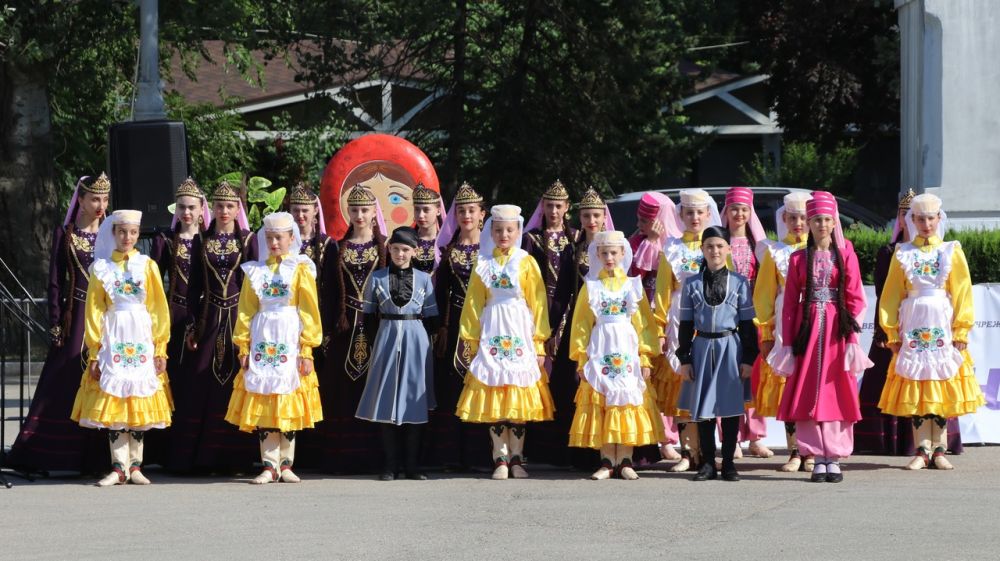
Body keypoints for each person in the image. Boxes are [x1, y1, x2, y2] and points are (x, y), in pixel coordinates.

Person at [6, 174, 111, 475]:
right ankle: (50, 453)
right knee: (63, 381)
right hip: (74, 315)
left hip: (104, 316)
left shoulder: (111, 234)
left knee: (101, 380)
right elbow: (54, 281)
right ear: (81, 199)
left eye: (104, 200)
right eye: (95, 199)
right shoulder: (65, 234)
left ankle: (99, 457)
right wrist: (55, 321)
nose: (100, 206)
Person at [771, 192, 873, 483]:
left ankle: (835, 456)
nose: (822, 225)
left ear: (834, 222)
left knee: (836, 391)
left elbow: (856, 297)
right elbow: (790, 303)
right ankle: (815, 455)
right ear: (808, 223)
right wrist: (788, 343)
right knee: (808, 391)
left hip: (836, 332)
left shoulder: (847, 253)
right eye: (816, 219)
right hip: (807, 331)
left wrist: (853, 339)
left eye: (827, 219)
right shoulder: (798, 258)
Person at [877, 193, 984, 470]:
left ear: (939, 219)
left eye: (931, 218)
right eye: (920, 218)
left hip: (942, 325)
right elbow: (890, 295)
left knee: (940, 383)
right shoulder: (903, 253)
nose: (926, 224)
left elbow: (962, 292)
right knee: (918, 384)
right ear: (911, 220)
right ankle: (921, 448)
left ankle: (940, 449)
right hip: (913, 324)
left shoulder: (951, 250)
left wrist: (961, 330)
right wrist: (892, 333)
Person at [70, 210, 172, 486]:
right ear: (113, 233)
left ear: (138, 235)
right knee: (115, 397)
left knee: (138, 396)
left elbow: (158, 308)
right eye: (122, 232)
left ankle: (135, 466)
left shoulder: (147, 266)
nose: (127, 237)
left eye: (133, 233)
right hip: (114, 334)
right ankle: (118, 466)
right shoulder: (101, 269)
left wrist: (160, 347)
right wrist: (94, 350)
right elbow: (94, 309)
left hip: (140, 333)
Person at [455, 204, 553, 480]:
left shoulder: (526, 261)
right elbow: (473, 303)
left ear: (518, 230)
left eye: (509, 230)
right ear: (491, 231)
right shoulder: (482, 262)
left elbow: (538, 303)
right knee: (496, 391)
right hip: (493, 327)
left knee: (518, 393)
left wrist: (539, 343)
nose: (503, 235)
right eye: (498, 230)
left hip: (519, 328)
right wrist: (471, 340)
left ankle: (518, 459)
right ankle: (499, 458)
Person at [225, 212, 323, 484]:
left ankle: (286, 463)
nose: (274, 243)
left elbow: (309, 311)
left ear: (291, 238)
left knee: (288, 396)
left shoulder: (301, 269)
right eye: (269, 238)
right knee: (265, 396)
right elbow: (245, 310)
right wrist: (243, 345)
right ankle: (269, 464)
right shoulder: (256, 271)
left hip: (289, 336)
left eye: (279, 237)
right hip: (263, 337)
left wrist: (307, 349)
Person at [168, 180, 259, 473]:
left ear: (238, 209)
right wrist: (194, 325)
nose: (224, 211)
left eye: (230, 206)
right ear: (212, 208)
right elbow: (193, 286)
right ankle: (201, 457)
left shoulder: (247, 240)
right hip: (210, 317)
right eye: (219, 206)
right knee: (202, 382)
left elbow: (254, 285)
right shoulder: (201, 240)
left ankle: (236, 458)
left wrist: (254, 328)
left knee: (235, 383)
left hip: (237, 318)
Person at [567, 230, 662, 480]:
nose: (609, 257)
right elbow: (581, 325)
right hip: (601, 349)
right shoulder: (591, 287)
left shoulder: (633, 286)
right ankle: (607, 460)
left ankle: (625, 460)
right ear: (597, 254)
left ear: (623, 254)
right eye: (604, 253)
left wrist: (644, 357)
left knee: (626, 400)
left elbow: (643, 325)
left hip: (626, 349)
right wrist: (581, 358)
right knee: (603, 400)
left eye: (614, 252)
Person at [675, 226, 758, 482]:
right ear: (702, 249)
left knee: (731, 409)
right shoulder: (691, 284)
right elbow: (686, 324)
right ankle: (708, 462)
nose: (715, 251)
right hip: (701, 347)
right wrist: (685, 358)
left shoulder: (740, 283)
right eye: (709, 246)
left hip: (730, 347)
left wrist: (747, 359)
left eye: (720, 246)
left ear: (728, 249)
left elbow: (746, 325)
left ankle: (730, 463)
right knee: (705, 410)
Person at [356, 226, 439, 481]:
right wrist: (378, 342)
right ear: (388, 249)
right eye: (395, 249)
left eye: (405, 250)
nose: (400, 254)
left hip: (416, 338)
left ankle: (412, 466)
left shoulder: (425, 279)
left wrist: (424, 343)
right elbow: (368, 317)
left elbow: (433, 318)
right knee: (386, 398)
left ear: (414, 251)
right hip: (387, 336)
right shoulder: (377, 278)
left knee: (415, 398)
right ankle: (390, 466)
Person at [318, 184, 387, 472]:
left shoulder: (383, 245)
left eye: (365, 210)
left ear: (374, 213)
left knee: (373, 387)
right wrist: (327, 330)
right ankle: (342, 457)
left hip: (374, 327)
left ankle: (375, 457)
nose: (359, 215)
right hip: (345, 328)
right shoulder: (337, 247)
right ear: (348, 212)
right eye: (355, 210)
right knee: (343, 391)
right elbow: (330, 291)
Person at [653, 188, 721, 472]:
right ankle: (686, 452)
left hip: (711, 321)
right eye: (689, 212)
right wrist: (658, 329)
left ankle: (706, 452)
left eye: (699, 212)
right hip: (680, 319)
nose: (694, 217)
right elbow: (661, 292)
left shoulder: (717, 246)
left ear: (708, 214)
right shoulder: (670, 248)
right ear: (680, 215)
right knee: (683, 384)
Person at [147, 177, 210, 465]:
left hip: (202, 315)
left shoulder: (209, 241)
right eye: (182, 207)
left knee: (193, 384)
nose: (186, 213)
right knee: (167, 380)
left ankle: (192, 450)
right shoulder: (164, 241)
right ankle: (164, 451)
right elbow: (152, 281)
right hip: (171, 315)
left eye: (191, 208)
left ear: (201, 210)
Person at [752, 192, 814, 472]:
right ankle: (794, 450)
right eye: (793, 218)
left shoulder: (821, 250)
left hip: (814, 321)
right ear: (784, 219)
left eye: (804, 217)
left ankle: (811, 450)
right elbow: (764, 295)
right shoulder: (774, 251)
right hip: (784, 322)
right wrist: (765, 332)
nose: (799, 223)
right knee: (788, 383)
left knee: (810, 383)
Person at [429, 182, 489, 470]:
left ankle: (481, 454)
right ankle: (452, 454)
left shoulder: (491, 250)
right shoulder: (449, 251)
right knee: (454, 384)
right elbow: (440, 292)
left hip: (486, 323)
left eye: (471, 210)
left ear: (482, 215)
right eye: (462, 210)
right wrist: (441, 327)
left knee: (482, 382)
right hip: (455, 326)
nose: (466, 215)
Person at [522, 179, 582, 467]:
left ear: (567, 208)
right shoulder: (531, 238)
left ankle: (567, 450)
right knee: (538, 377)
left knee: (565, 379)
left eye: (559, 206)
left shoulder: (577, 238)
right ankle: (539, 450)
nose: (554, 211)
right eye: (549, 205)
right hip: (539, 310)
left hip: (569, 313)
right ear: (542, 207)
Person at [285, 182, 342, 468]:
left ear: (315, 214)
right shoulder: (282, 246)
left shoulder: (329, 246)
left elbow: (333, 290)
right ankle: (294, 454)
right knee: (292, 386)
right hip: (286, 327)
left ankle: (322, 454)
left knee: (321, 388)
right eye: (295, 211)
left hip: (317, 327)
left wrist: (328, 328)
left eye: (305, 211)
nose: (300, 217)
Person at [626, 192, 683, 461]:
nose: (641, 225)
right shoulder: (635, 242)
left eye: (647, 221)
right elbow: (633, 276)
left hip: (671, 316)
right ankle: (656, 437)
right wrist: (648, 243)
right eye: (639, 220)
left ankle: (671, 437)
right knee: (648, 378)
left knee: (670, 378)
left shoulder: (676, 244)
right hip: (641, 316)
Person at [720, 186, 771, 459]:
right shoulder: (719, 243)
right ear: (725, 212)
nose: (738, 214)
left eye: (743, 209)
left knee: (753, 376)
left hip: (752, 316)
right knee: (728, 376)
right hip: (725, 317)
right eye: (733, 209)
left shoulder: (759, 246)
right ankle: (732, 437)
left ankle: (755, 436)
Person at [411, 184, 444, 274]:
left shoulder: (447, 242)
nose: (421, 215)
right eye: (417, 209)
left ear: (438, 211)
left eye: (426, 210)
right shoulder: (407, 240)